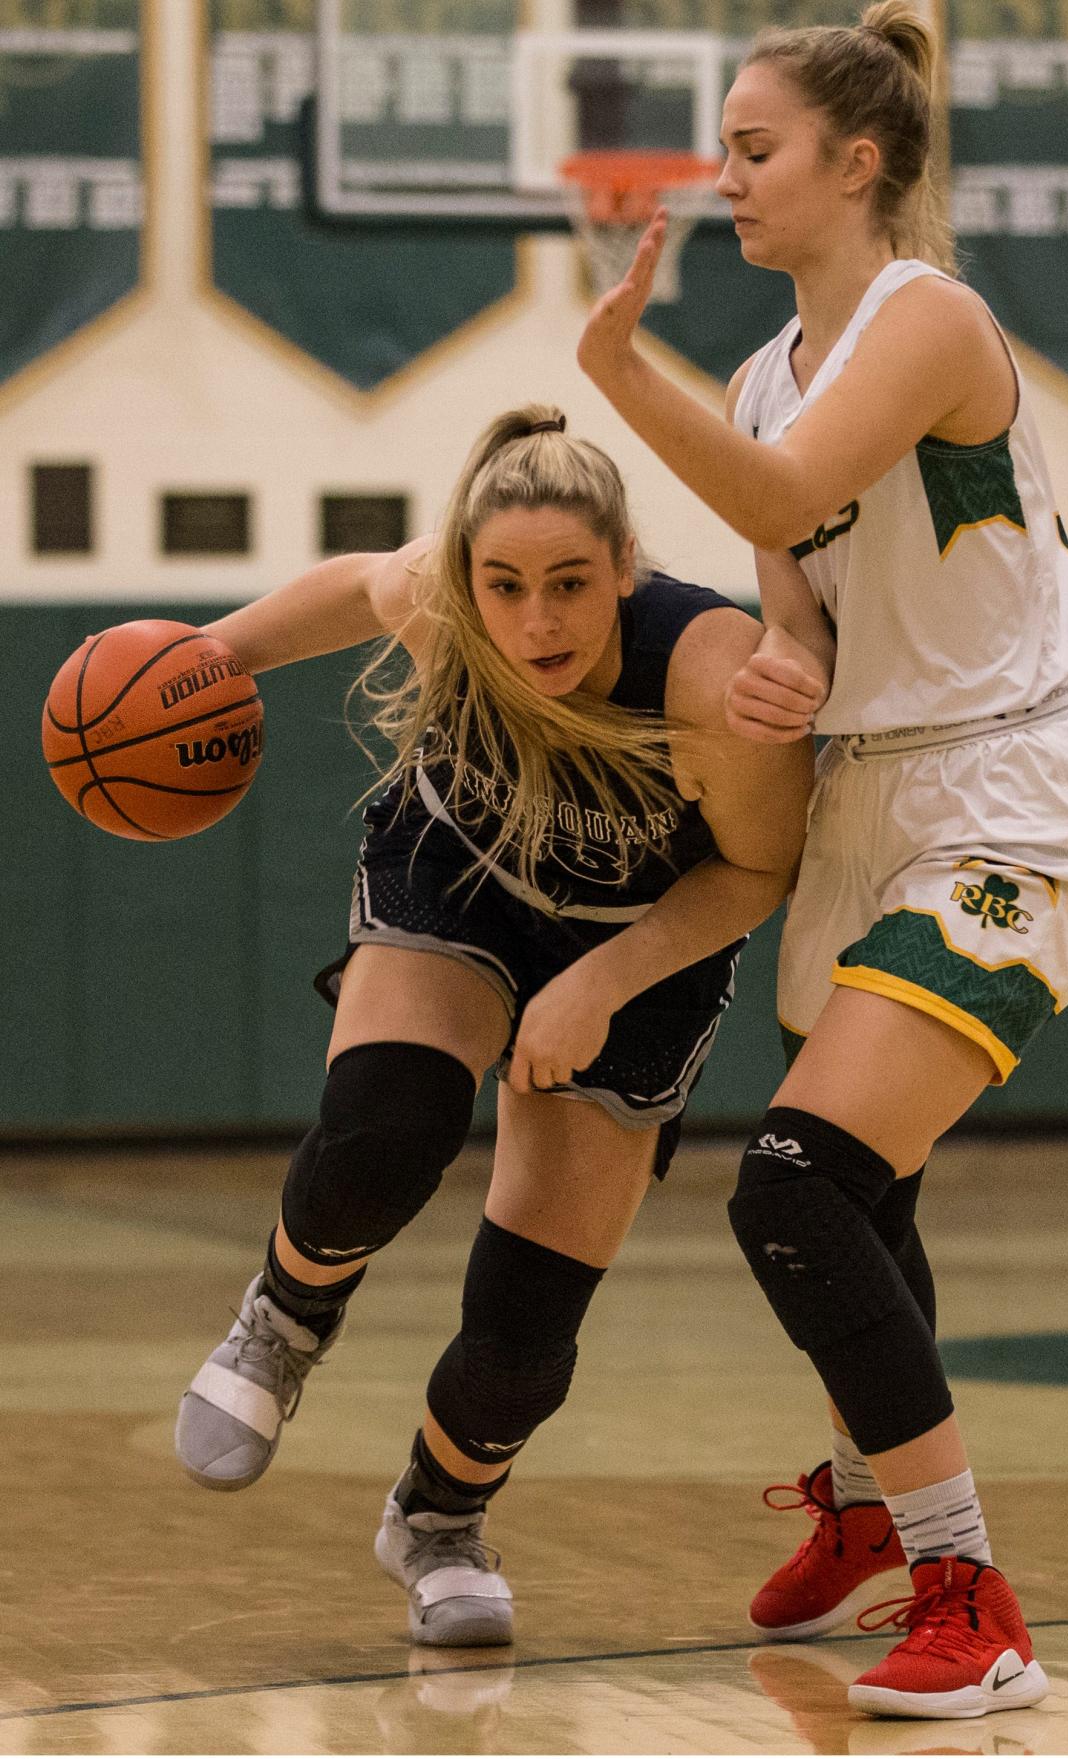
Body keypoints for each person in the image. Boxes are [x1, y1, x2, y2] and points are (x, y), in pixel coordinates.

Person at [576, 1, 1068, 1722]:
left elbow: (791, 477)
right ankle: (871, 1499)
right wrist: (777, 664)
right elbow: (801, 602)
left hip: (1005, 795)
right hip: (872, 788)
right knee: (860, 1190)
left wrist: (609, 370)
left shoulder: (925, 315)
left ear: (857, 160)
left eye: (754, 149)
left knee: (793, 1180)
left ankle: (973, 1593)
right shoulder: (759, 369)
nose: (725, 178)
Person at [172, 404, 812, 1649]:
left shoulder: (708, 672)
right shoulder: (441, 601)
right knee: (388, 1125)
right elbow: (361, 586)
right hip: (458, 876)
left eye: (571, 584)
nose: (538, 621)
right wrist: (206, 656)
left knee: (525, 1330)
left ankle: (438, 1521)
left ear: (626, 565)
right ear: (469, 577)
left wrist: (602, 981)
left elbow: (757, 869)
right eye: (506, 585)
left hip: (646, 936)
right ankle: (286, 1317)